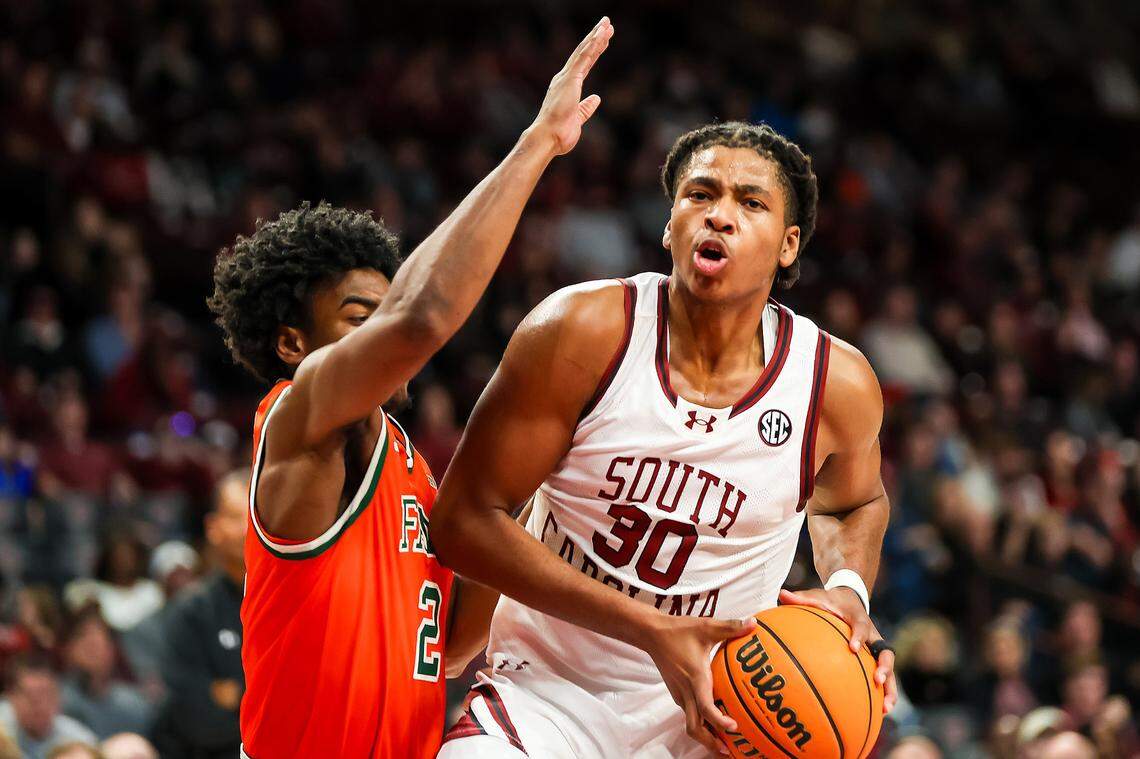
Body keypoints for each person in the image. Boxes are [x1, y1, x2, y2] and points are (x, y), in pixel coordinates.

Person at [206, 17, 614, 759]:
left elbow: (454, 644)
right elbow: (421, 316)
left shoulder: (406, 460)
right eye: (360, 318)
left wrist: (523, 488)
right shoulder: (297, 418)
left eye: (380, 312)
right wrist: (536, 145)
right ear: (294, 344)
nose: (382, 335)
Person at [432, 120, 897, 757]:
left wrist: (848, 590)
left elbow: (853, 502)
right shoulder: (580, 333)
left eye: (750, 203)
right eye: (700, 195)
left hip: (723, 717)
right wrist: (652, 629)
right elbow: (463, 521)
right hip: (548, 697)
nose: (720, 217)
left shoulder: (833, 384)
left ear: (789, 245)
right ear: (669, 224)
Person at [151, 469, 247, 758]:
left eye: (255, 515)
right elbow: (196, 720)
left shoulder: (297, 603)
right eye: (235, 518)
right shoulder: (191, 611)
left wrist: (237, 694)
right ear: (213, 528)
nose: (248, 528)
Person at [58, 607, 153, 739]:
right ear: (68, 650)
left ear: (112, 650)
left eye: (99, 643)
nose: (93, 648)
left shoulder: (135, 704)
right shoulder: (58, 703)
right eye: (87, 645)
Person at [0, 655, 97, 759]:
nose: (37, 703)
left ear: (59, 697)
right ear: (10, 697)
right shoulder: (2, 732)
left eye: (44, 694)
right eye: (28, 695)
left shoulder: (79, 741)